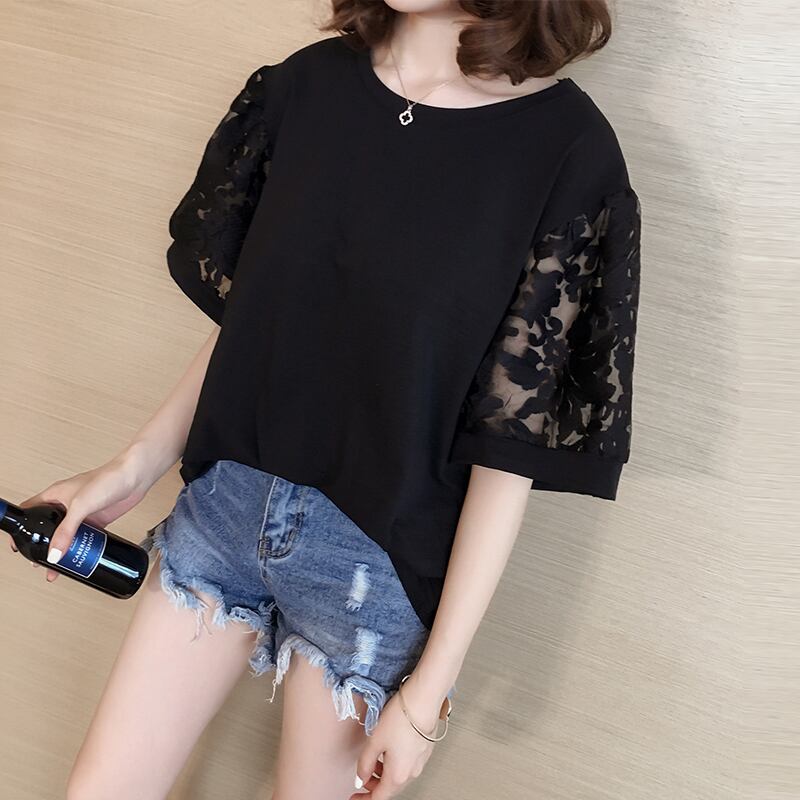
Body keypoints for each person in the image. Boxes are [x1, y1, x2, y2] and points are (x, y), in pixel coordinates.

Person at [11, 1, 642, 798]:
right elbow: (255, 321)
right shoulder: (308, 87)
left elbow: (508, 446)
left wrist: (428, 692)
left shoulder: (566, 152)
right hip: (223, 509)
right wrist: (131, 468)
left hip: (375, 566)